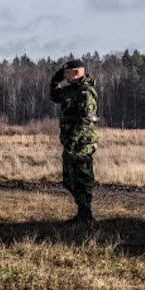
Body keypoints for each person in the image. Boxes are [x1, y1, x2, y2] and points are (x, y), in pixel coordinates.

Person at [50, 58, 100, 223]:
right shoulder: (71, 90)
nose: (64, 75)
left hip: (82, 142)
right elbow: (55, 96)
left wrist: (73, 140)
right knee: (69, 179)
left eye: (67, 72)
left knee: (82, 177)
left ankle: (85, 214)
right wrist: (55, 81)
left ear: (77, 72)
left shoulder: (86, 92)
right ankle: (82, 211)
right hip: (71, 142)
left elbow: (86, 119)